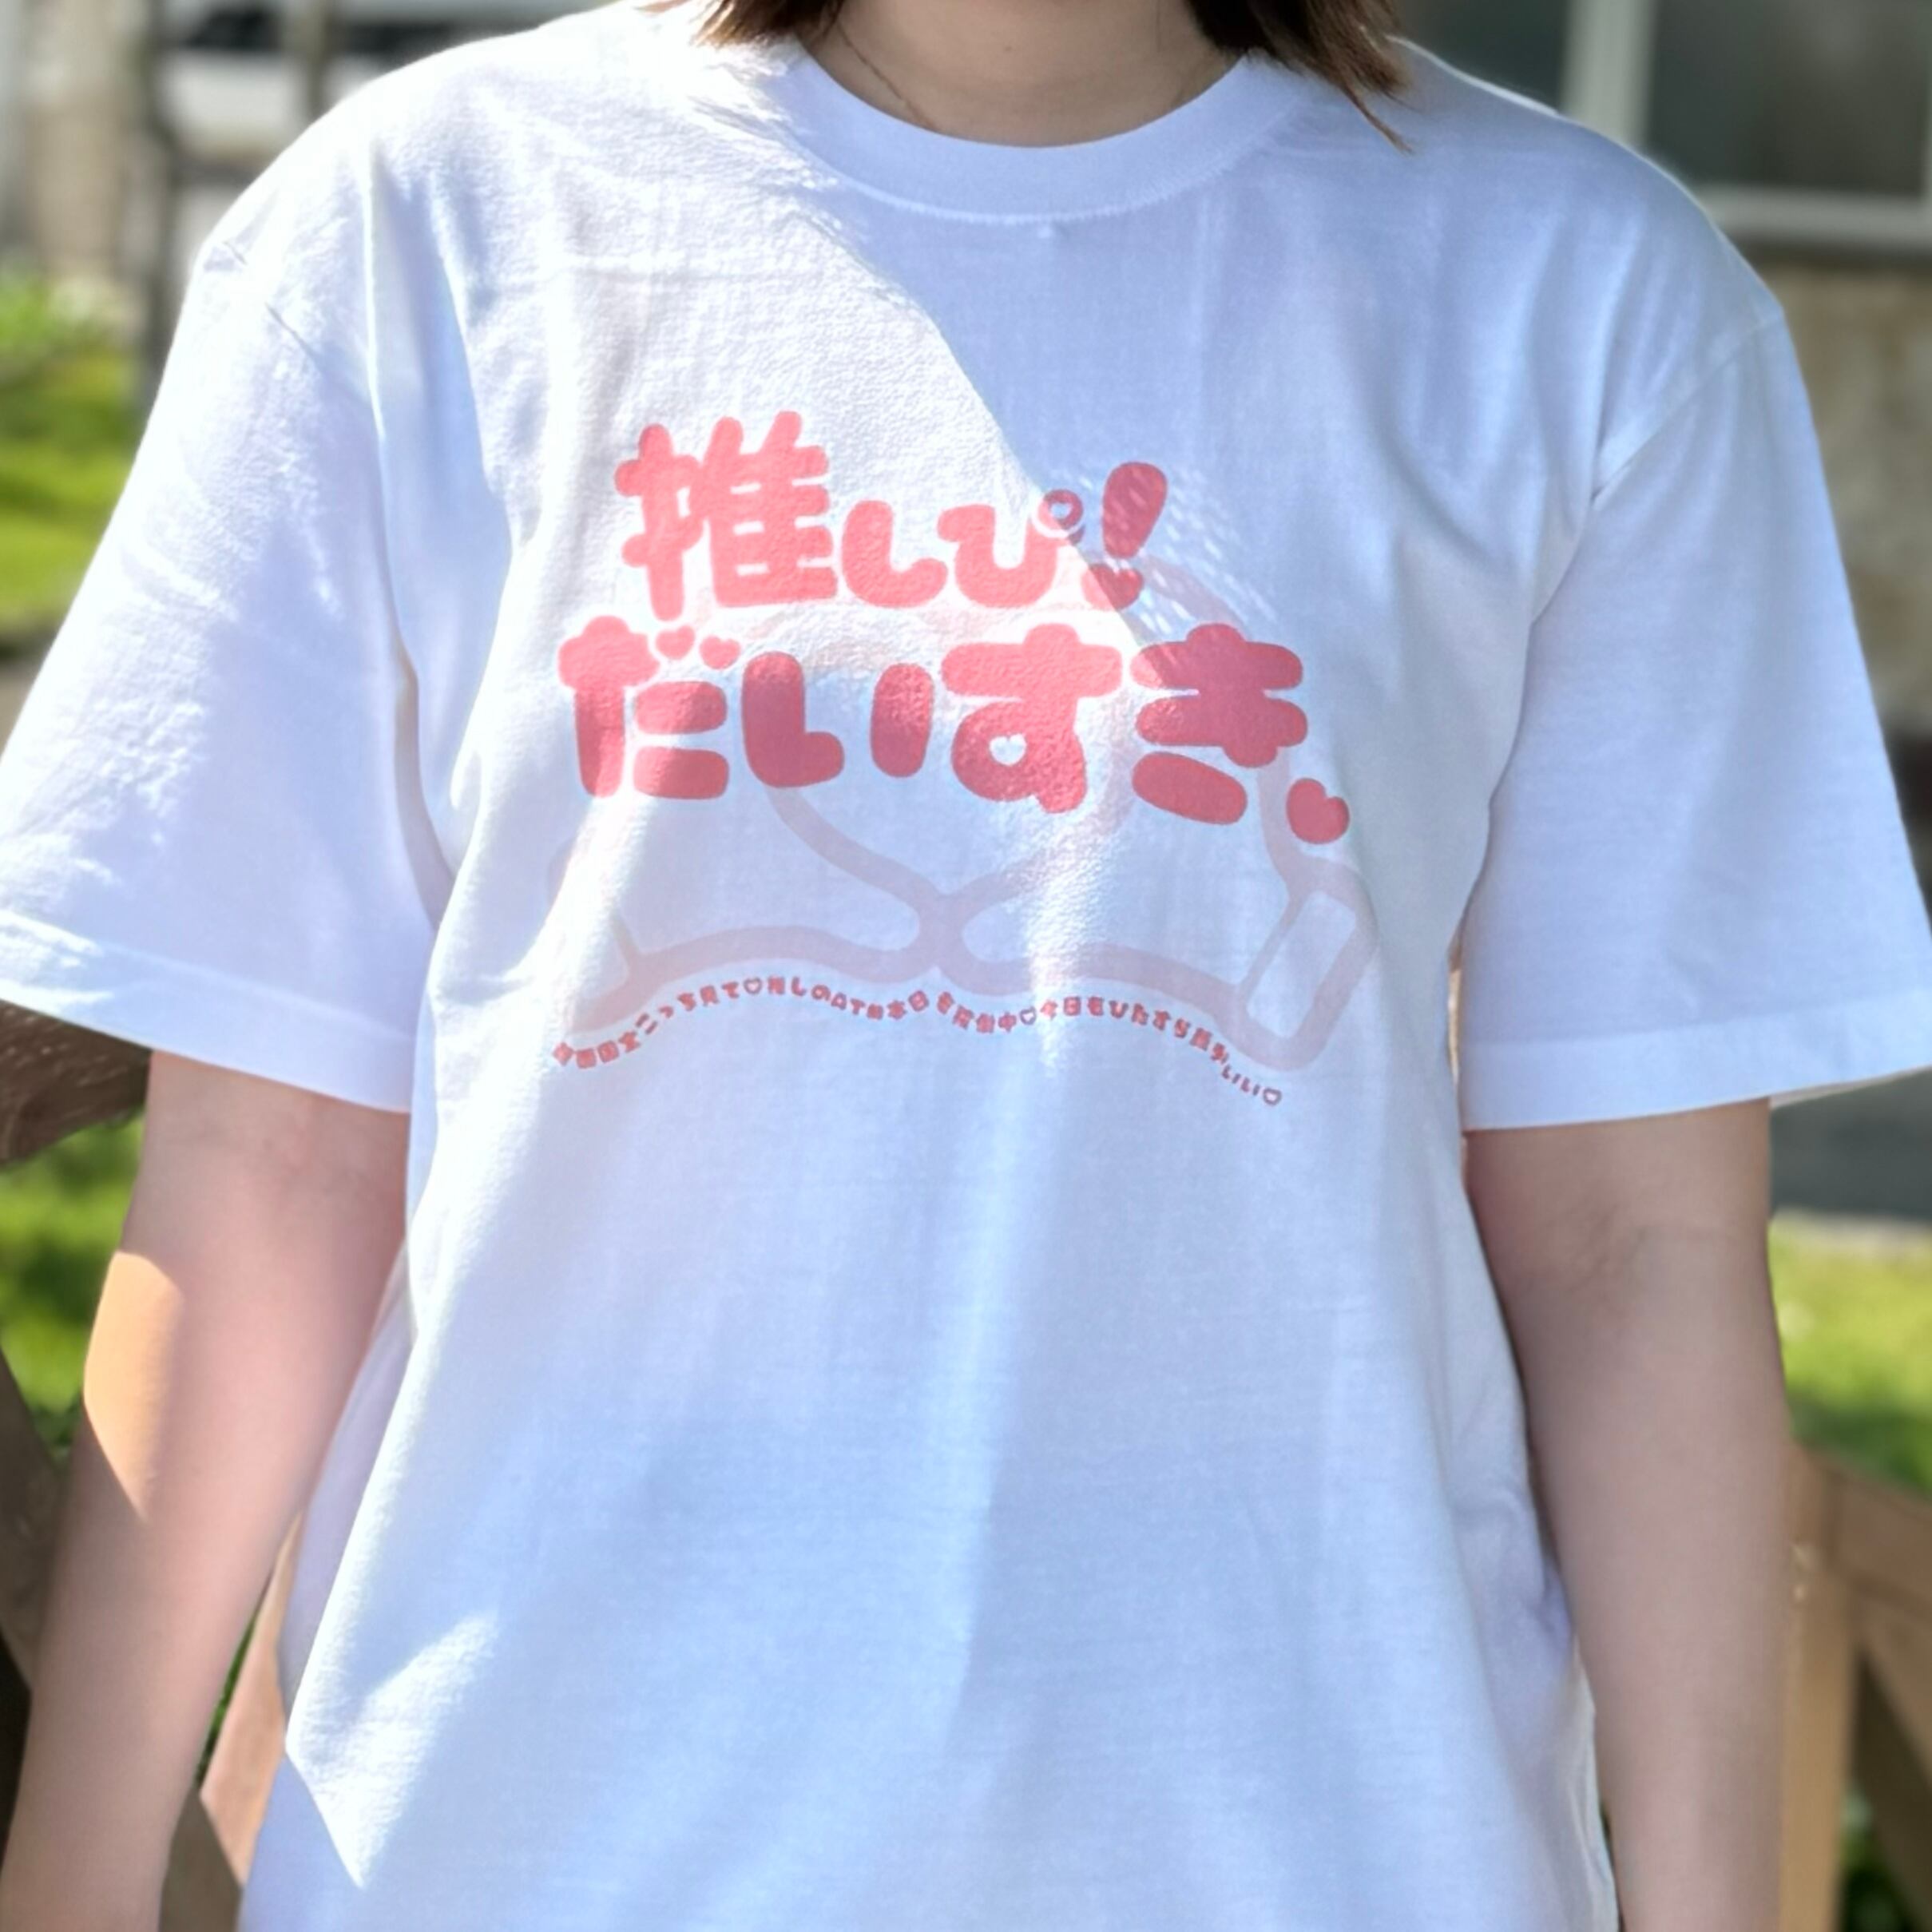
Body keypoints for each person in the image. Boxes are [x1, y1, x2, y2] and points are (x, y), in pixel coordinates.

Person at [0, 0, 1930, 1926]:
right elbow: (266, 1165)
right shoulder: (420, 226)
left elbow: (1634, 1251)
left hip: (1321, 1851)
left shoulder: (1586, 302)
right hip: (518, 1845)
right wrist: (73, 1878)